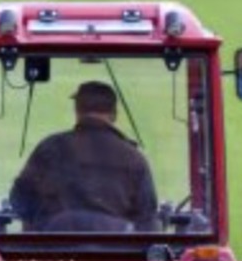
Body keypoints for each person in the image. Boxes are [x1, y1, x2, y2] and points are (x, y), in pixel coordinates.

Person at [9, 81, 158, 232]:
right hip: (114, 253)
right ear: (114, 114)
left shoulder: (50, 148)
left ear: (77, 110)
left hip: (56, 251)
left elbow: (19, 200)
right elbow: (147, 221)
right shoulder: (134, 158)